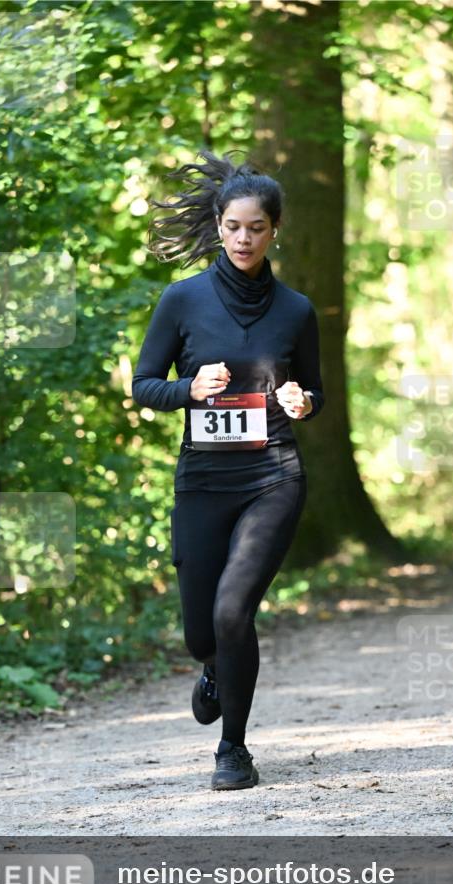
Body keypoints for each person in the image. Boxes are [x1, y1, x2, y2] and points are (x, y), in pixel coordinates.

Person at [132, 149, 324, 790]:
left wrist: (303, 400)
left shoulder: (295, 310)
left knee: (233, 610)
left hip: (273, 474)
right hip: (204, 481)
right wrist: (189, 389)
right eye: (235, 226)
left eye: (258, 228)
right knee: (200, 632)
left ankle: (233, 750)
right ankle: (214, 669)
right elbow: (143, 386)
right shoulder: (182, 301)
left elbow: (314, 392)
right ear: (218, 224)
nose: (245, 238)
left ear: (275, 231)